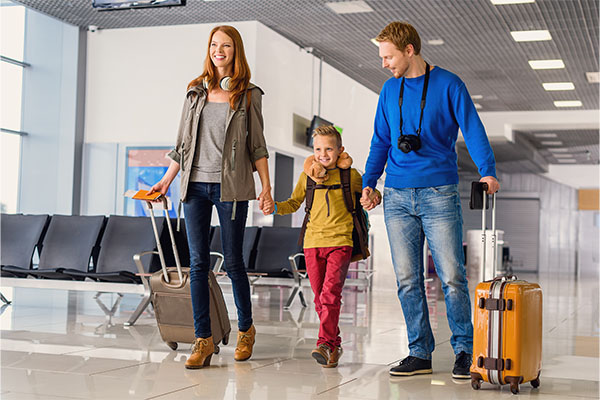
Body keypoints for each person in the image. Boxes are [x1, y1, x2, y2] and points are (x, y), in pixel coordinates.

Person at [360, 21, 500, 379]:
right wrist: (370, 182)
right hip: (397, 196)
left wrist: (488, 170)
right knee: (407, 279)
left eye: (388, 56)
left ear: (409, 50)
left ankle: (464, 349)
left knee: (452, 277)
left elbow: (472, 128)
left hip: (439, 193)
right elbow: (380, 140)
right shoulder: (389, 91)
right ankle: (419, 352)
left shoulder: (449, 84)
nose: (384, 64)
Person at [149, 25, 274, 369]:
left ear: (236, 51)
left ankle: (246, 329)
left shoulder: (249, 94)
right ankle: (202, 339)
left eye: (227, 46)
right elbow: (181, 145)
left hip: (231, 188)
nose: (220, 50)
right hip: (193, 187)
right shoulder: (194, 92)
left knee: (233, 263)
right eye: (215, 45)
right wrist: (165, 181)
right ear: (210, 49)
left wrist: (265, 186)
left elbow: (257, 146)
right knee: (199, 264)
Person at [263, 125, 377, 368]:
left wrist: (373, 197)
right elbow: (293, 203)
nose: (322, 154)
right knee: (319, 299)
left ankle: (324, 343)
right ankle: (334, 346)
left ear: (339, 150)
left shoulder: (352, 176)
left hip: (341, 242)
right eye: (317, 149)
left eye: (328, 149)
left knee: (329, 295)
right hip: (312, 243)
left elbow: (370, 194)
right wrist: (273, 206)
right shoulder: (307, 176)